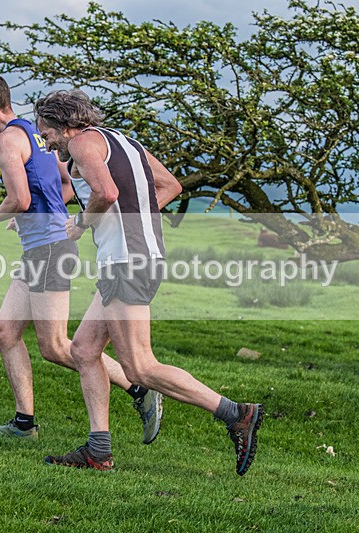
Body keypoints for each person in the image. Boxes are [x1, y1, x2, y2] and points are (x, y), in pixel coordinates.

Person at [34, 89, 264, 475]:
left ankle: (236, 414)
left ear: (66, 124)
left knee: (139, 366)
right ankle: (98, 451)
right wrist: (132, 217)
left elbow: (106, 193)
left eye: (47, 133)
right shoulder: (125, 142)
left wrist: (81, 224)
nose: (47, 141)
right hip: (137, 257)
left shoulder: (84, 144)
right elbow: (171, 185)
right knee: (84, 350)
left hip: (128, 262)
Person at [0, 74, 163, 444]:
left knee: (56, 347)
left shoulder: (6, 140)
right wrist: (42, 216)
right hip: (43, 244)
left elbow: (20, 199)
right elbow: (65, 186)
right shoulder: (34, 135)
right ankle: (24, 425)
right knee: (4, 332)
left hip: (51, 248)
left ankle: (141, 388)